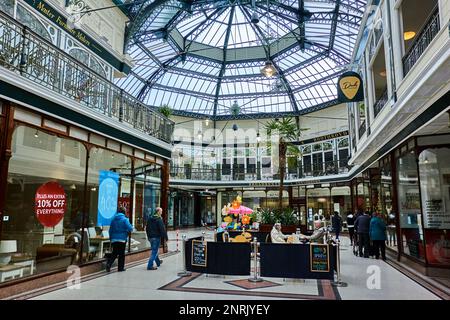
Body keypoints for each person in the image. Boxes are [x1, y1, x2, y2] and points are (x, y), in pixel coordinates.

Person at [106, 207, 133, 272]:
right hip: (122, 239)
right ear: (124, 212)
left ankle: (109, 264)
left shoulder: (113, 219)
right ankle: (120, 268)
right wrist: (126, 231)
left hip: (114, 239)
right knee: (121, 254)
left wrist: (110, 238)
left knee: (114, 253)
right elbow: (130, 228)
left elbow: (110, 230)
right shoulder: (125, 219)